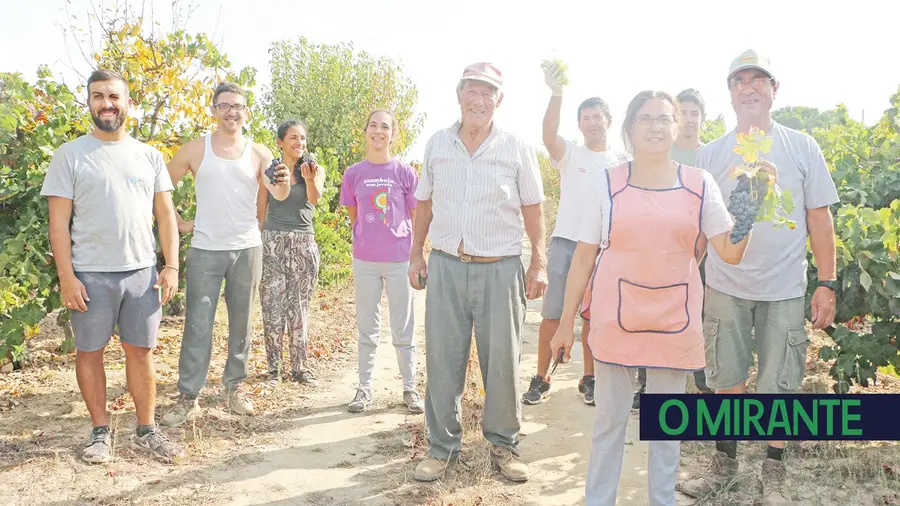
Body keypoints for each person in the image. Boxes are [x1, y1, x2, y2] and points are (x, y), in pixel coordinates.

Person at [550, 89, 766, 505]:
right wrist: (565, 324)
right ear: (629, 129)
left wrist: (751, 205)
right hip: (616, 318)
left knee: (667, 430)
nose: (655, 126)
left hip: (675, 321)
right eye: (645, 118)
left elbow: (730, 252)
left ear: (676, 126)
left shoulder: (700, 184)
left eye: (663, 118)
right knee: (610, 424)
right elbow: (583, 259)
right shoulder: (607, 183)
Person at [681, 49, 839, 506]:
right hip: (725, 287)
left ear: (774, 89)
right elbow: (696, 230)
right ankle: (725, 467)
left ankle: (773, 473)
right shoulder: (710, 156)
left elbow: (820, 218)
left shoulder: (802, 147)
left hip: (784, 288)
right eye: (739, 81)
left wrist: (826, 283)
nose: (748, 88)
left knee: (779, 384)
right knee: (726, 378)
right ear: (729, 94)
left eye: (757, 80)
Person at [408, 62, 547, 483]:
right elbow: (424, 204)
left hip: (500, 269)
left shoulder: (515, 147)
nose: (480, 99)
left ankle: (503, 445)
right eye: (473, 90)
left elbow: (533, 207)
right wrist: (417, 253)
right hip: (448, 266)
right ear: (459, 94)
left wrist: (538, 260)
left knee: (502, 362)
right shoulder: (437, 144)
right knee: (442, 360)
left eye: (489, 92)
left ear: (498, 101)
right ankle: (441, 447)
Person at [41, 69, 183, 464]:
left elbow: (166, 217)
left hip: (141, 275)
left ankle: (147, 430)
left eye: (114, 96)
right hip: (89, 275)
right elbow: (58, 225)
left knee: (141, 352)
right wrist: (67, 278)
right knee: (90, 352)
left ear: (128, 103)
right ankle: (101, 432)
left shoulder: (149, 155)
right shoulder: (69, 155)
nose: (107, 103)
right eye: (98, 96)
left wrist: (170, 266)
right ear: (88, 102)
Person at [160, 82, 291, 427]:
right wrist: (177, 222)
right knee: (197, 325)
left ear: (246, 112)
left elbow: (278, 194)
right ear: (214, 109)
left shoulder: (260, 153)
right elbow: (161, 186)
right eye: (225, 105)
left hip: (247, 247)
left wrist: (285, 180)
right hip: (205, 248)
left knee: (241, 323)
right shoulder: (194, 150)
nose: (232, 112)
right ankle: (188, 397)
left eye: (238, 106)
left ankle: (235, 388)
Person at [521, 60, 623, 407]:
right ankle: (541, 377)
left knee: (592, 317)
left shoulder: (621, 162)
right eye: (586, 117)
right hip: (567, 242)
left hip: (604, 249)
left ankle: (590, 378)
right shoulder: (570, 154)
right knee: (553, 314)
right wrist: (557, 93)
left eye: (598, 116)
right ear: (579, 124)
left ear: (608, 121)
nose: (592, 122)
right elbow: (548, 135)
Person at [632, 87, 714, 409]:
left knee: (700, 315)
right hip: (659, 254)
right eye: (685, 113)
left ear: (702, 119)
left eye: (696, 114)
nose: (691, 120)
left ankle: (703, 382)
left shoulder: (709, 157)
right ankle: (645, 384)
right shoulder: (659, 152)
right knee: (650, 314)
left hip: (703, 252)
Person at [339, 109, 424, 415]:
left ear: (393, 134)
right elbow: (355, 216)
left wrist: (417, 255)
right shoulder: (353, 174)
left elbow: (416, 217)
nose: (378, 131)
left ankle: (410, 389)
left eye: (385, 127)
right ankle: (363, 389)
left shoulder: (405, 173)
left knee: (404, 328)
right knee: (367, 328)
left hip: (400, 260)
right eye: (373, 125)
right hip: (366, 261)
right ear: (365, 132)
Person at [257, 119, 325, 385]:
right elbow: (261, 208)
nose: (300, 143)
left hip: (303, 243)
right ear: (280, 142)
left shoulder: (314, 168)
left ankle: (300, 367)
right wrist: (258, 238)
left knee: (299, 307)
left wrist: (309, 179)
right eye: (293, 137)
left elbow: (315, 198)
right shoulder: (270, 171)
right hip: (272, 241)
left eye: (303, 138)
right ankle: (274, 368)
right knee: (272, 306)